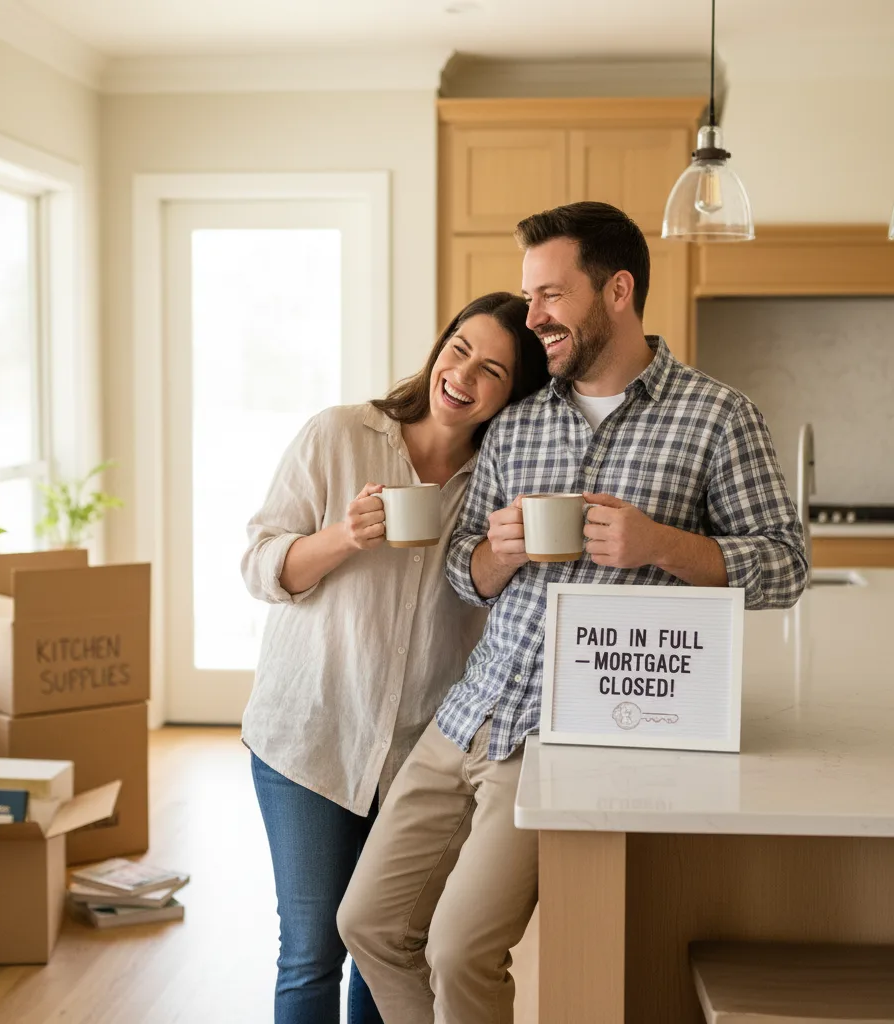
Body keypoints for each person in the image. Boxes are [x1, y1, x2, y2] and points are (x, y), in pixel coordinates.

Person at [339, 201, 808, 1024]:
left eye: (550, 295)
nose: (533, 318)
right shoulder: (516, 423)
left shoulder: (718, 416)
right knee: (366, 922)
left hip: (575, 730)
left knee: (458, 949)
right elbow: (462, 572)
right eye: (529, 297)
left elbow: (787, 566)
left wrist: (661, 544)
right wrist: (501, 554)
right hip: (470, 712)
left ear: (617, 290)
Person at [240, 291, 550, 1024]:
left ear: (516, 394)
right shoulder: (339, 435)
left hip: (420, 749)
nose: (463, 375)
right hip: (308, 739)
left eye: (494, 371)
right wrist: (345, 536)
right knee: (311, 951)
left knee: (387, 943)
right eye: (459, 348)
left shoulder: (503, 480)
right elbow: (260, 567)